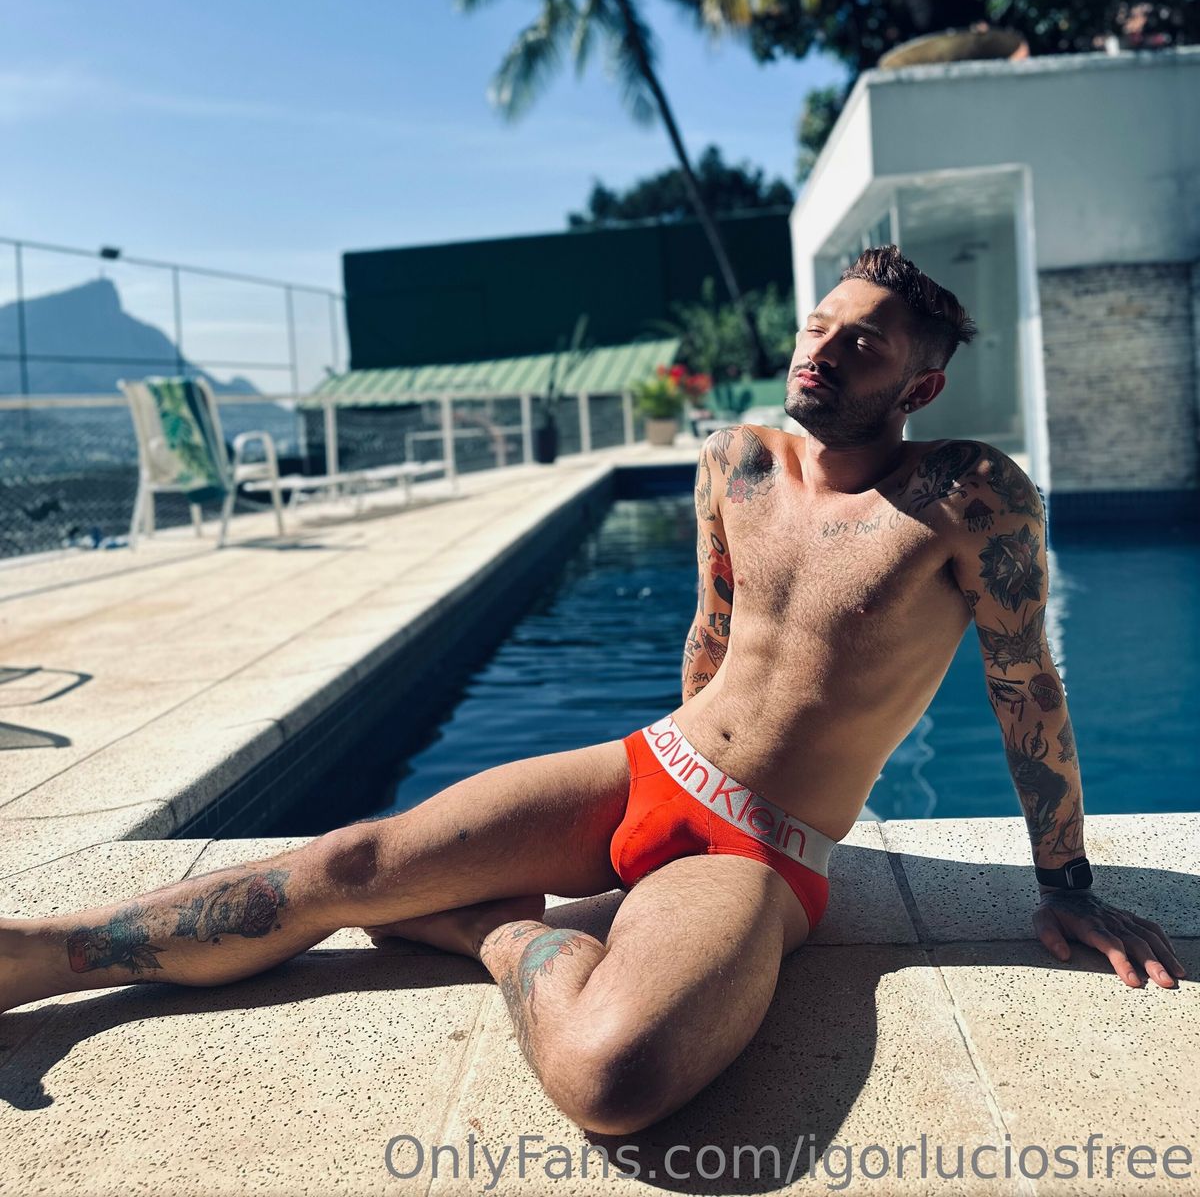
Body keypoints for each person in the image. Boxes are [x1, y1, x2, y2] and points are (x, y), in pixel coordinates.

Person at [0, 245, 1184, 1135]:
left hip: (760, 848)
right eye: (818, 324)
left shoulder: (970, 495)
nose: (820, 350)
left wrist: (1065, 884)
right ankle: (40, 954)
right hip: (648, 767)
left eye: (862, 344)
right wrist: (650, 790)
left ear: (919, 385)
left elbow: (1027, 688)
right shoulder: (737, 460)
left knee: (613, 1079)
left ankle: (492, 929)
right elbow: (712, 639)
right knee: (348, 862)